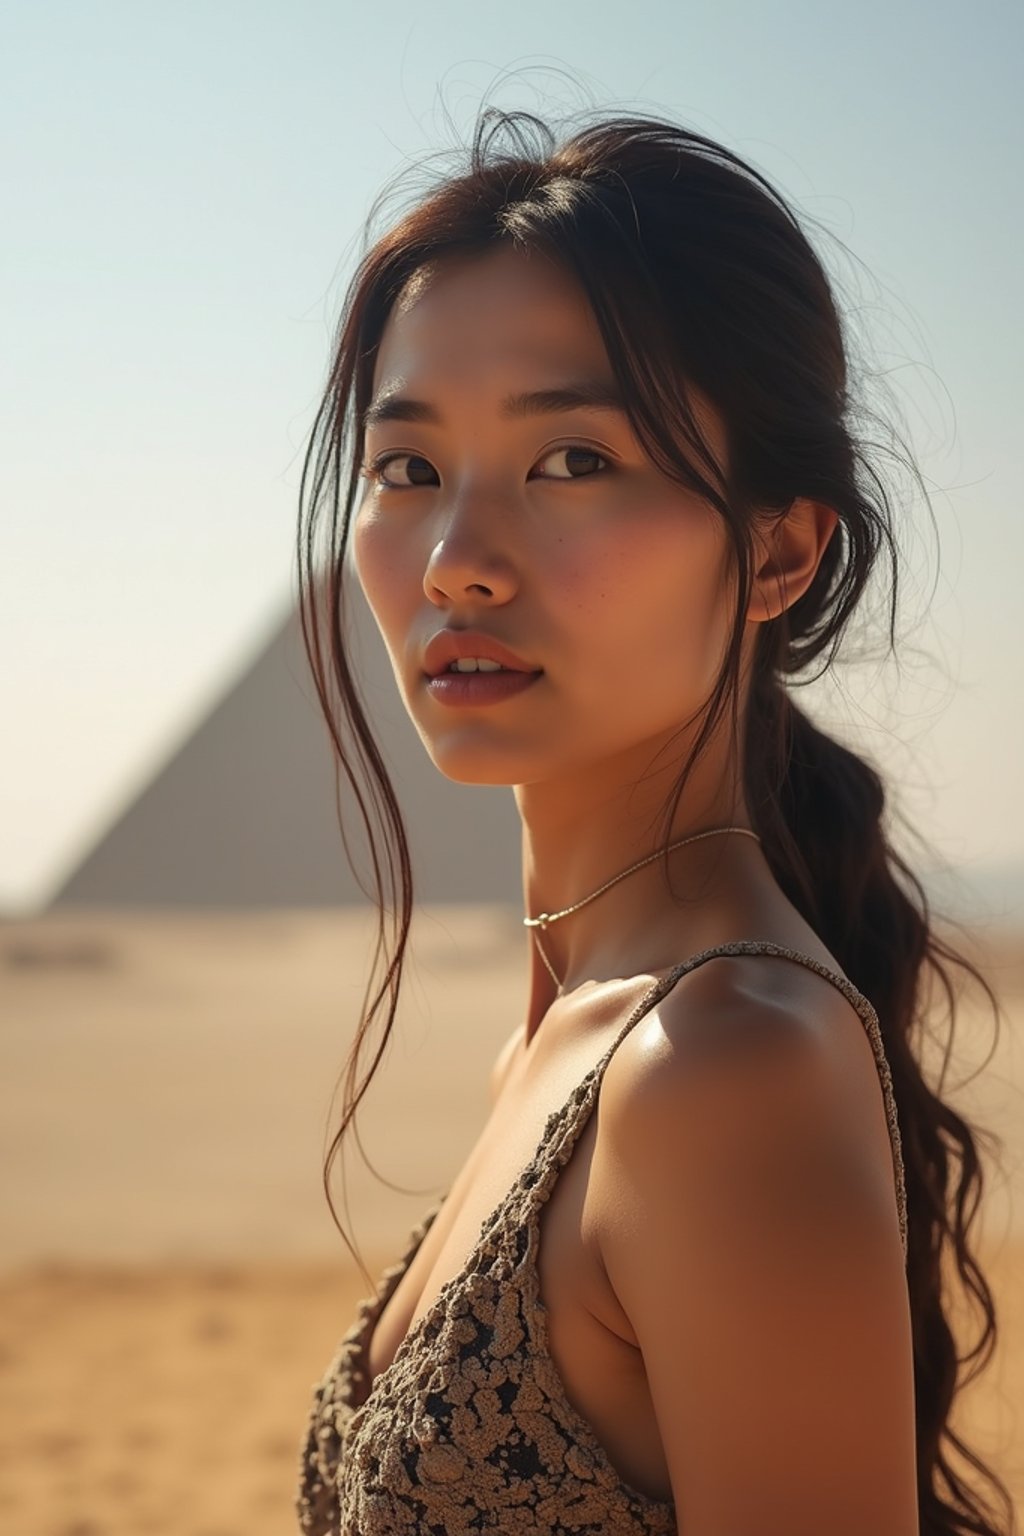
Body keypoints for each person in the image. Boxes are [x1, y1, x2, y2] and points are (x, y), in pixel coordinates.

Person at [294, 105, 1012, 1536]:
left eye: (573, 462)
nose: (458, 561)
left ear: (776, 549)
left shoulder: (722, 1068)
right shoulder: (578, 1033)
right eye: (408, 468)